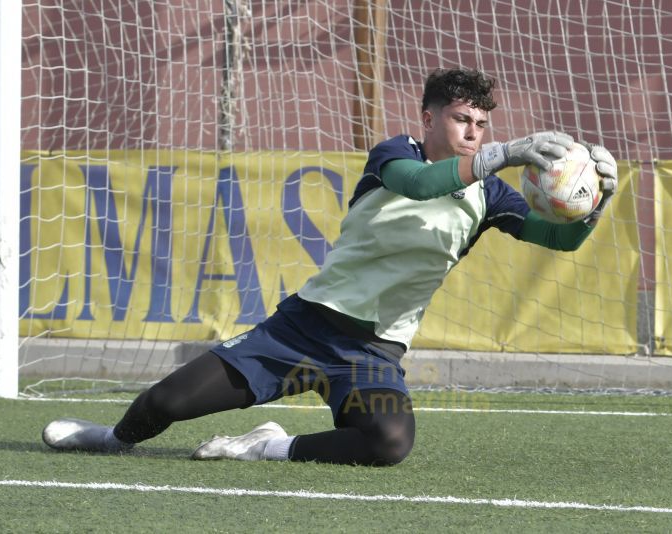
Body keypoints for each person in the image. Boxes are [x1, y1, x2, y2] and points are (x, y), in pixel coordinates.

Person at [42, 68, 617, 466]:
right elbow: (418, 187)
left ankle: (266, 445)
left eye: (483, 125)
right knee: (166, 404)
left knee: (389, 444)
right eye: (464, 119)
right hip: (300, 331)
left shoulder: (490, 195)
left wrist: (594, 204)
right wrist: (499, 156)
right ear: (429, 116)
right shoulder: (397, 155)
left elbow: (557, 240)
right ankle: (112, 439)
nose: (474, 133)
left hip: (373, 354)